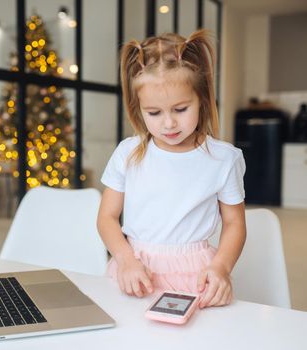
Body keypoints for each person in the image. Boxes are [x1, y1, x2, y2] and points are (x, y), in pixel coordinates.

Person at [97, 30, 246, 309]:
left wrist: (221, 268)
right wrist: (125, 260)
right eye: (154, 113)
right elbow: (107, 217)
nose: (169, 124)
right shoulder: (127, 153)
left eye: (180, 109)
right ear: (138, 109)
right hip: (133, 267)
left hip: (196, 272)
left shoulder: (224, 159)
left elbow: (235, 223)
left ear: (201, 99)